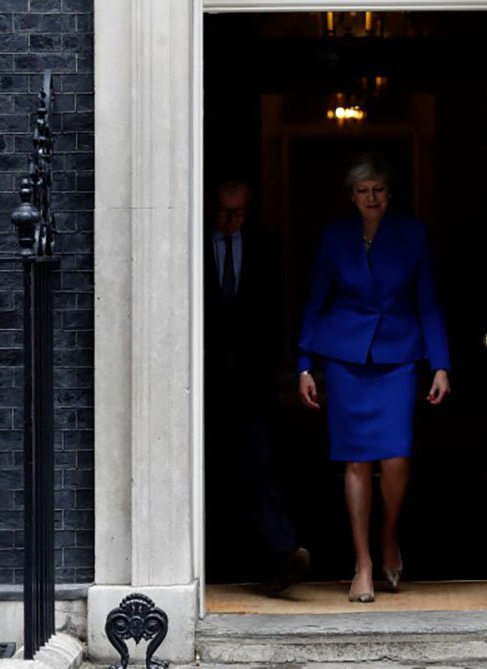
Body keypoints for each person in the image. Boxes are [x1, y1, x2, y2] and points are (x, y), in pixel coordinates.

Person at [296, 154, 451, 603]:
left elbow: (429, 304)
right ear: (352, 196)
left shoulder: (413, 235)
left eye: (378, 189)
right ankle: (362, 562)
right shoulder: (332, 237)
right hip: (344, 359)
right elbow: (314, 302)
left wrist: (440, 363)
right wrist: (304, 363)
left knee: (397, 456)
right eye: (363, 191)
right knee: (357, 461)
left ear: (389, 192)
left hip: (400, 356)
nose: (372, 198)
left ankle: (389, 533)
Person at [204, 179, 309, 593]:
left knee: (259, 465)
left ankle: (284, 553)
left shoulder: (263, 247)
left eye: (241, 212)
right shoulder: (193, 245)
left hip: (251, 385)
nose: (234, 220)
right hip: (204, 384)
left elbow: (274, 311)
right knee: (215, 473)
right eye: (226, 212)